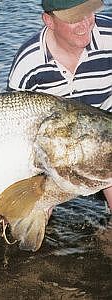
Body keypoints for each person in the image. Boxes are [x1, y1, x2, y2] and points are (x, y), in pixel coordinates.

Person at [7, 0, 112, 211]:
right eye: (74, 18)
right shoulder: (28, 63)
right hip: (50, 157)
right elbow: (15, 133)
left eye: (88, 13)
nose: (85, 24)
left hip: (104, 146)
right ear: (49, 20)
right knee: (29, 215)